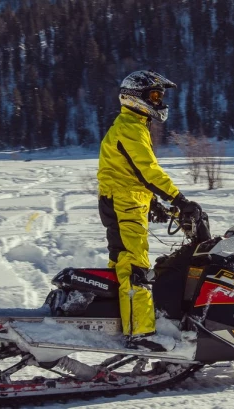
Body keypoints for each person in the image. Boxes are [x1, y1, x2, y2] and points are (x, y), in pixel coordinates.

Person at [97, 70, 201, 352]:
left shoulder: (132, 124)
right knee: (135, 267)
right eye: (154, 95)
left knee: (124, 263)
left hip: (126, 198)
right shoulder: (129, 128)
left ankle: (117, 320)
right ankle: (139, 334)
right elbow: (148, 171)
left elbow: (128, 171)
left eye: (160, 96)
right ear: (134, 98)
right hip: (124, 202)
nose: (159, 101)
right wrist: (179, 200)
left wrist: (153, 202)